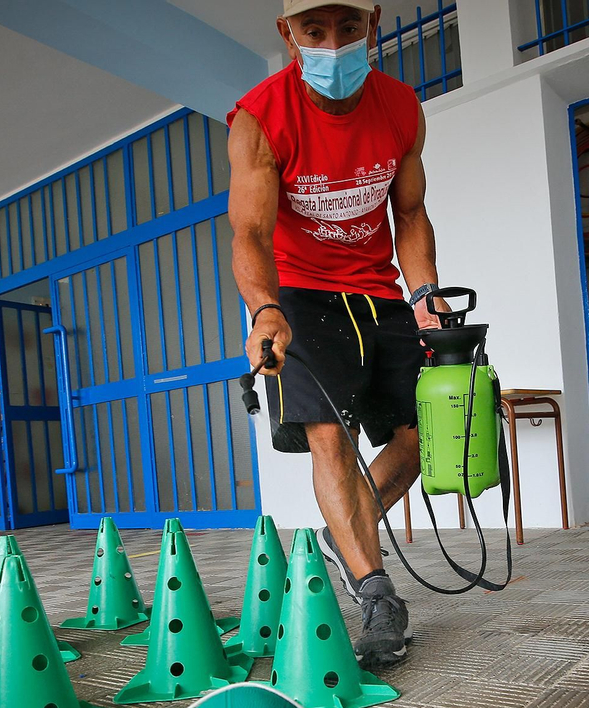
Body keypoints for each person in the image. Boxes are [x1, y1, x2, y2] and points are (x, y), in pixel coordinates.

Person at [227, 0, 443, 670]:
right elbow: (252, 233)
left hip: (378, 291)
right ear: (286, 33)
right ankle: (377, 593)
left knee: (415, 444)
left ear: (373, 23)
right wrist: (264, 309)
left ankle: (337, 538)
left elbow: (409, 212)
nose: (333, 42)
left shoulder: (402, 108)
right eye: (313, 30)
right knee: (331, 438)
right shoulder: (260, 118)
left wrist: (427, 296)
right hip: (300, 295)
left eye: (348, 27)